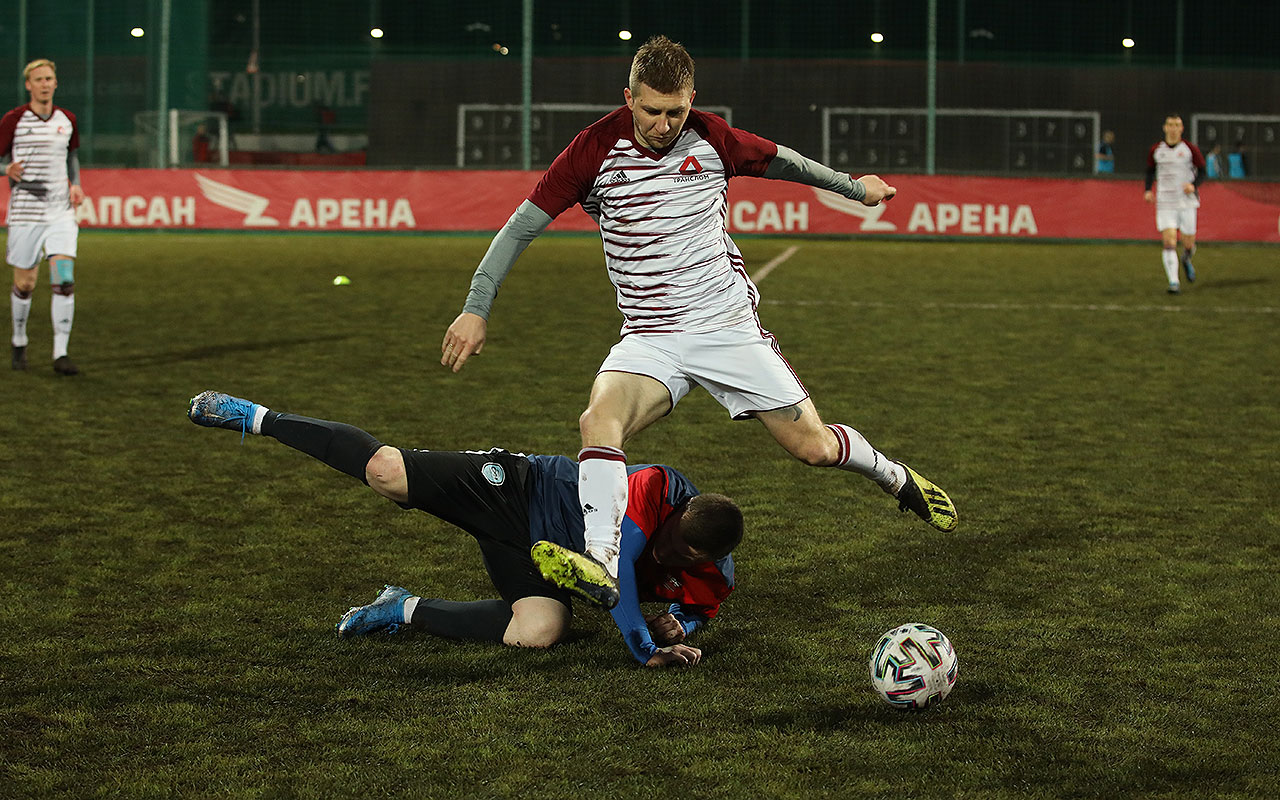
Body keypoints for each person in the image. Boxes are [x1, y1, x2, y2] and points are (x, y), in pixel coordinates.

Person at [439, 35, 957, 609]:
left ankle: (894, 477)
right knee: (598, 421)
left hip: (727, 327)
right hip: (650, 337)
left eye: (675, 112)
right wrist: (476, 306)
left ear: (692, 100)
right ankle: (601, 562)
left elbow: (787, 162)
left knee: (812, 447)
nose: (663, 125)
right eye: (651, 111)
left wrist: (854, 188)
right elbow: (520, 228)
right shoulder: (592, 151)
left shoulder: (713, 138)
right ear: (628, 98)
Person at [186, 390, 741, 668]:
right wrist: (644, 647)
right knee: (386, 472)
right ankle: (258, 417)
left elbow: (698, 610)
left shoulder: (714, 574)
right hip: (519, 490)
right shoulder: (658, 489)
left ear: (701, 558)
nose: (666, 547)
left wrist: (681, 626)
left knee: (538, 632)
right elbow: (618, 564)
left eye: (679, 550)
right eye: (670, 534)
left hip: (538, 555)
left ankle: (400, 607)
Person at [1, 59, 87, 374]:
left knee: (64, 278)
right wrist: (6, 169)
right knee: (25, 283)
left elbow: (72, 156)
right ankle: (19, 339)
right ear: (29, 85)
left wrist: (75, 184)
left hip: (60, 211)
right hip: (25, 211)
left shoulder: (68, 119)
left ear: (56, 82)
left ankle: (60, 354)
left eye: (49, 78)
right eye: (38, 79)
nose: (45, 84)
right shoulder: (14, 120)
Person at [1144, 114, 1204, 295]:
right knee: (1169, 241)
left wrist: (1193, 185)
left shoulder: (1190, 149)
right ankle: (1173, 282)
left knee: (1188, 242)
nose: (1173, 128)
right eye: (1170, 124)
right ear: (1165, 127)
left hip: (1186, 202)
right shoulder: (1156, 150)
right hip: (1165, 202)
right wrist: (1148, 190)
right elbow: (1149, 171)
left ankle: (1186, 258)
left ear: (1181, 128)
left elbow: (1203, 171)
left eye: (1177, 125)